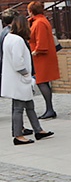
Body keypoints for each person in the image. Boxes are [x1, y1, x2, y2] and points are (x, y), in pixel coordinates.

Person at [1, 15, 53, 145]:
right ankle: (18, 135)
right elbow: (18, 62)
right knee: (19, 108)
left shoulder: (9, 38)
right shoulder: (17, 40)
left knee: (29, 106)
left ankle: (38, 130)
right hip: (20, 79)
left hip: (15, 79)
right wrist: (26, 75)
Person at [26, 2, 60, 119]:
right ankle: (49, 109)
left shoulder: (39, 22)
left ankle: (50, 109)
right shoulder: (39, 20)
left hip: (41, 57)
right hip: (42, 56)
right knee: (43, 81)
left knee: (42, 81)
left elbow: (41, 40)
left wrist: (35, 51)